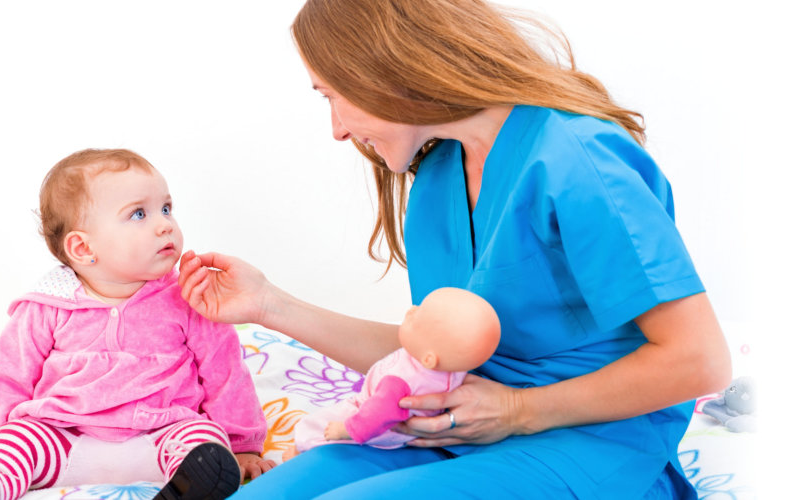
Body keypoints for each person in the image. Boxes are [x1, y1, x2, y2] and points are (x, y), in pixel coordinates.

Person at [176, 0, 732, 498]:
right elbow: (433, 354)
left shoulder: (576, 159)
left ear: (387, 70)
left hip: (592, 444)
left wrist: (518, 410)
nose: (337, 130)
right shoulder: (439, 172)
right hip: (461, 427)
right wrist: (269, 304)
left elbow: (700, 361)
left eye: (334, 97)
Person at [0, 149, 276, 500]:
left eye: (166, 208)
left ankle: (191, 484)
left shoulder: (188, 297)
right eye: (139, 214)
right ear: (83, 249)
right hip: (63, 437)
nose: (165, 224)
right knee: (20, 439)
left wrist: (243, 445)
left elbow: (225, 371)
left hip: (162, 432)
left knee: (202, 439)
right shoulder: (47, 305)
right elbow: (11, 374)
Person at [290, 287, 500, 457]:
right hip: (402, 429)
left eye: (419, 317)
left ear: (428, 358)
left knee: (318, 424)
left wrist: (346, 429)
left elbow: (377, 414)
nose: (412, 309)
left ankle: (301, 449)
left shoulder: (401, 379)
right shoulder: (452, 370)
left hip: (377, 426)